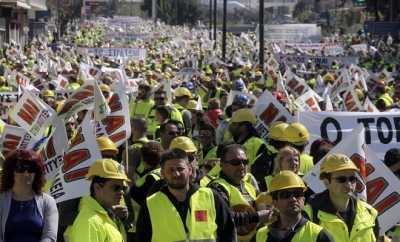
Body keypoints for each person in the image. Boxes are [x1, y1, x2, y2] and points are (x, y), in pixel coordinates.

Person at [136, 148, 236, 242]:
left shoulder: (211, 197)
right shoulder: (151, 204)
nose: (176, 174)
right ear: (162, 173)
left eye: (180, 169)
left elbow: (228, 233)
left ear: (190, 170)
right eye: (171, 170)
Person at [304, 154, 380, 242]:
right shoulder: (309, 214)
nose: (348, 185)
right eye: (341, 179)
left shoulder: (370, 212)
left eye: (352, 179)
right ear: (326, 182)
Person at [208, 144, 272, 241]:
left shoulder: (249, 187)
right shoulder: (216, 188)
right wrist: (257, 216)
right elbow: (223, 217)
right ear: (221, 164)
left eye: (245, 162)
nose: (242, 166)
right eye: (235, 162)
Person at [252, 171, 333, 242]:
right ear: (275, 202)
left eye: (297, 194)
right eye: (285, 195)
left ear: (303, 199)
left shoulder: (319, 235)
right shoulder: (261, 235)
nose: (293, 199)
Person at [0, 149, 58, 242]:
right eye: (21, 168)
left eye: (31, 168)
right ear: (11, 172)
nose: (26, 173)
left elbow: (50, 236)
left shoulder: (48, 202)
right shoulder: (1, 200)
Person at [66, 158, 130, 242]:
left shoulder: (104, 217)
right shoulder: (89, 222)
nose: (121, 192)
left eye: (123, 188)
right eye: (116, 188)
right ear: (97, 187)